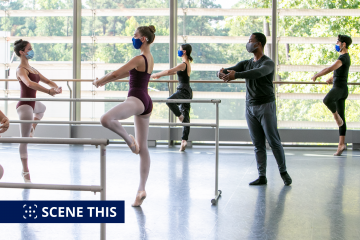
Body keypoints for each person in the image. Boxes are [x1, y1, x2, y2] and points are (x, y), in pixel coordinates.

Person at [217, 32, 292, 186]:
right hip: (250, 107)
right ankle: (262, 176)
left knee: (273, 141)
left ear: (258, 44)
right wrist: (220, 72)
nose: (248, 43)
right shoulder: (245, 63)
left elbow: (257, 73)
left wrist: (236, 75)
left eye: (250, 41)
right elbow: (229, 71)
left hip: (266, 106)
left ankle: (283, 173)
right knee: (258, 144)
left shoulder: (268, 63)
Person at [93, 25, 156, 207]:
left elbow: (115, 73)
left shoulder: (138, 58)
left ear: (143, 38)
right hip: (146, 102)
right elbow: (119, 76)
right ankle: (141, 189)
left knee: (106, 119)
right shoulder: (149, 58)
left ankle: (128, 139)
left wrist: (99, 81)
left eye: (135, 35)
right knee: (143, 147)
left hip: (136, 98)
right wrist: (104, 81)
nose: (133, 38)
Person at [14, 39, 62, 183]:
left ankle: (32, 129)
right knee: (24, 141)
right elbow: (29, 83)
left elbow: (47, 80)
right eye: (29, 49)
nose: (32, 50)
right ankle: (25, 172)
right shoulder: (20, 70)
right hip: (25, 106)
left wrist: (55, 87)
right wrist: (48, 91)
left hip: (33, 104)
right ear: (22, 52)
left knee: (42, 109)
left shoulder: (33, 69)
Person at [312, 35, 352, 156]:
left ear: (343, 44)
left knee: (327, 100)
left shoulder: (343, 58)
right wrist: (331, 79)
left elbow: (329, 68)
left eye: (337, 42)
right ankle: (341, 145)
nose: (336, 44)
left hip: (339, 89)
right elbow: (339, 72)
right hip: (341, 89)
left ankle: (336, 116)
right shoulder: (344, 57)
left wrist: (316, 75)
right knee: (342, 117)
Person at [151, 44, 193, 151]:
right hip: (186, 90)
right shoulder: (186, 64)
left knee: (170, 101)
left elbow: (170, 71)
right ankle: (184, 140)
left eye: (179, 50)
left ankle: (179, 116)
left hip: (183, 90)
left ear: (184, 52)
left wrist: (155, 74)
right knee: (186, 115)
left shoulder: (183, 64)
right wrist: (160, 75)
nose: (178, 51)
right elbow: (173, 72)